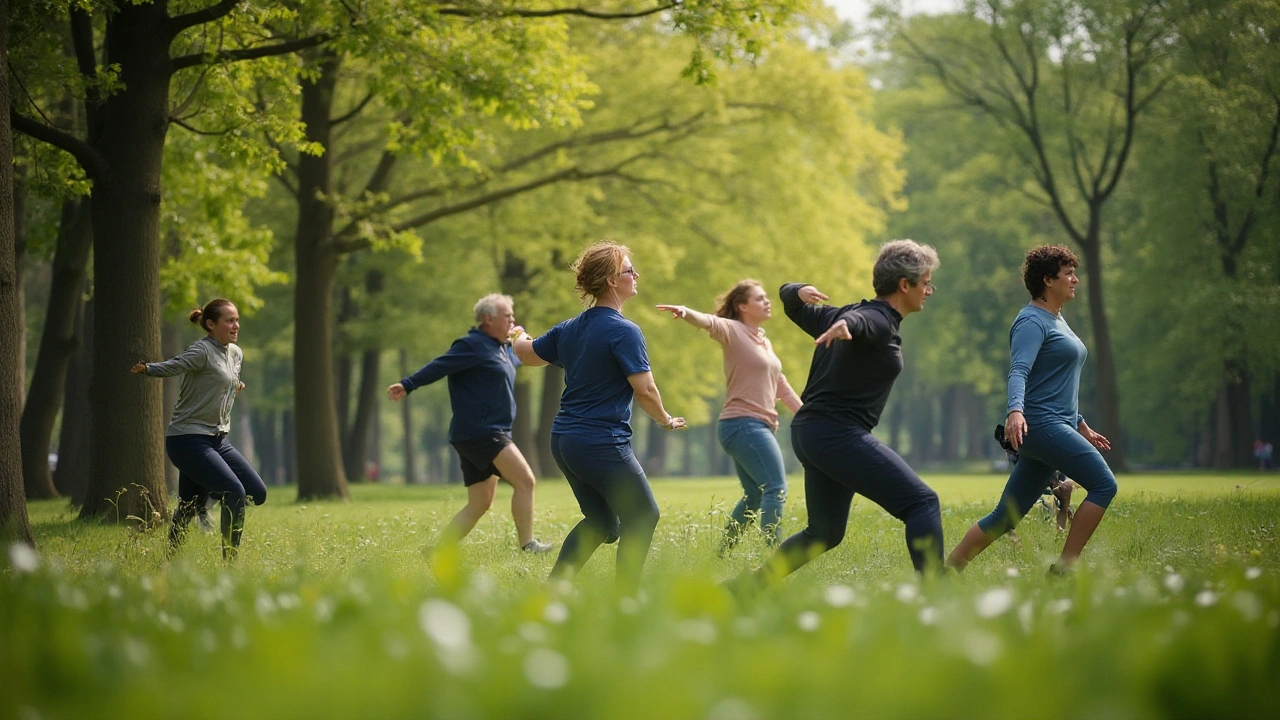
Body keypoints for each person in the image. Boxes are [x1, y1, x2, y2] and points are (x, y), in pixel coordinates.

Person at [731, 239, 944, 590]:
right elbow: (864, 323)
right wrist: (850, 325)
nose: (929, 290)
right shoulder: (874, 318)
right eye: (926, 282)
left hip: (813, 433)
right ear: (904, 285)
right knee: (922, 503)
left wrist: (799, 292)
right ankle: (937, 596)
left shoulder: (840, 314)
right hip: (834, 433)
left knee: (825, 532)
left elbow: (788, 300)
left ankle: (745, 589)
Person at [513, 240, 686, 593]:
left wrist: (517, 334)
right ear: (611, 280)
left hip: (564, 441)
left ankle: (552, 592)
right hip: (598, 442)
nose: (636, 275)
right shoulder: (625, 331)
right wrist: (665, 420)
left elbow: (528, 355)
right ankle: (626, 601)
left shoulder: (569, 328)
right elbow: (646, 391)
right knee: (643, 515)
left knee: (603, 521)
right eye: (629, 270)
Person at [946, 244, 1118, 575]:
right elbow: (1020, 371)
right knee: (1104, 485)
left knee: (1005, 516)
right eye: (1068, 274)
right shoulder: (1031, 321)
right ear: (1047, 280)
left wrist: (1081, 424)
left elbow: (1053, 381)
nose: (1075, 280)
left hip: (1055, 424)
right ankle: (1064, 570)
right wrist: (1015, 411)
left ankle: (944, 573)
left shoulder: (1057, 319)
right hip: (1040, 425)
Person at [387, 294, 553, 554]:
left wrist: (531, 342)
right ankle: (528, 545)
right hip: (483, 431)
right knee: (526, 481)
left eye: (513, 315)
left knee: (480, 502)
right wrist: (408, 384)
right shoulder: (472, 345)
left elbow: (528, 357)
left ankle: (438, 551)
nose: (512, 319)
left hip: (478, 433)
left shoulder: (503, 349)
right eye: (507, 315)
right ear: (488, 319)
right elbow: (439, 366)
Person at [656, 280, 802, 551]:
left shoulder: (763, 340)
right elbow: (709, 322)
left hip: (753, 426)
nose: (767, 302)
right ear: (742, 306)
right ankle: (776, 558)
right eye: (760, 298)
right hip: (743, 425)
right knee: (775, 488)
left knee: (756, 494)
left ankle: (722, 554)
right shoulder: (734, 330)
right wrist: (686, 312)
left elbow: (781, 385)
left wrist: (806, 415)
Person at [131, 299, 266, 560]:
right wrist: (148, 368)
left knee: (253, 493)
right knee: (234, 491)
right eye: (229, 320)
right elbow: (175, 365)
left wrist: (234, 386)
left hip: (217, 438)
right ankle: (230, 563)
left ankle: (171, 555)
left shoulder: (236, 353)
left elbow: (225, 377)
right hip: (187, 439)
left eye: (236, 319)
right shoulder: (201, 351)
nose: (235, 325)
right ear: (210, 324)